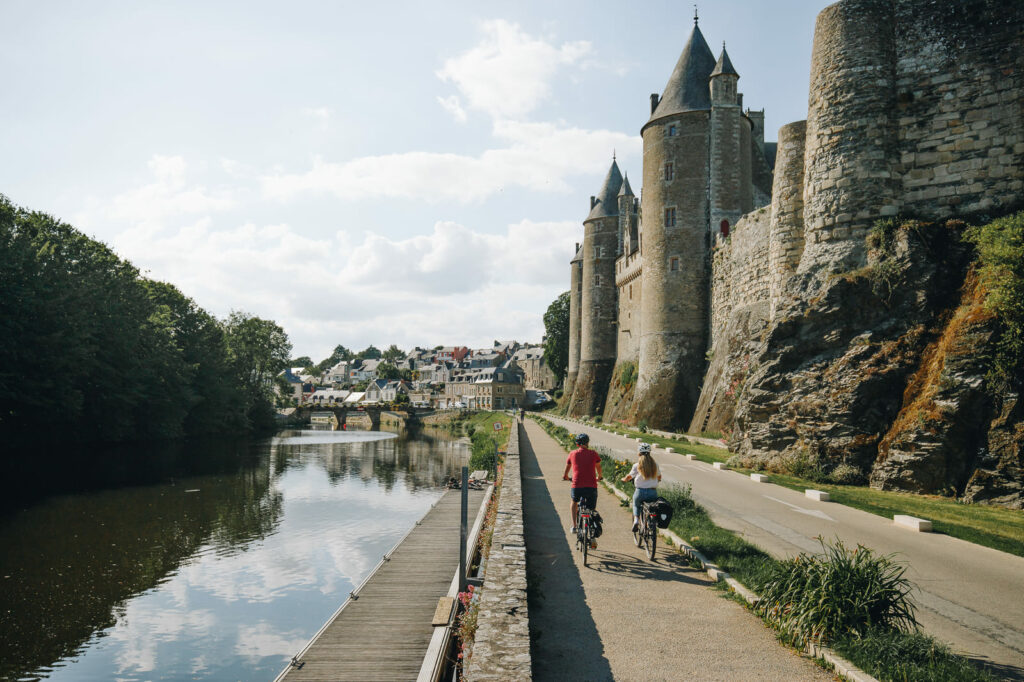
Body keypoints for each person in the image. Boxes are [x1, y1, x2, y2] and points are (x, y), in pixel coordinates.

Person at [562, 433, 602, 536]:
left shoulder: (572, 454)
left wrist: (566, 477)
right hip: (591, 486)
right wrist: (599, 477)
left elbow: (567, 469)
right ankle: (591, 527)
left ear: (577, 444)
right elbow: (598, 467)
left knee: (574, 502)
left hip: (577, 486)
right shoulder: (594, 454)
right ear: (587, 443)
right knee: (591, 508)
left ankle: (574, 526)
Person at [621, 442, 661, 533]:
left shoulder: (637, 465)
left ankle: (636, 521)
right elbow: (659, 477)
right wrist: (656, 481)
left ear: (639, 453)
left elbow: (629, 476)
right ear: (650, 453)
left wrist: (624, 479)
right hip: (652, 492)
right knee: (651, 508)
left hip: (640, 492)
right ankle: (650, 522)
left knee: (636, 505)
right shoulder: (655, 465)